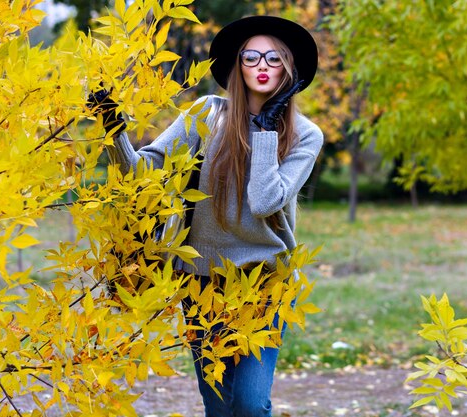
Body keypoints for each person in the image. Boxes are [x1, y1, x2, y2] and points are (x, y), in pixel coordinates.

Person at [89, 15, 323, 417]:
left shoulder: (303, 133)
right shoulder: (207, 114)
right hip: (203, 284)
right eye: (251, 57)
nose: (262, 66)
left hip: (263, 284)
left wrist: (265, 128)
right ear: (237, 65)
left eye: (274, 57)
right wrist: (114, 133)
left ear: (289, 68)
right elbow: (144, 174)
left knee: (249, 404)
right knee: (218, 404)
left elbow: (265, 202)